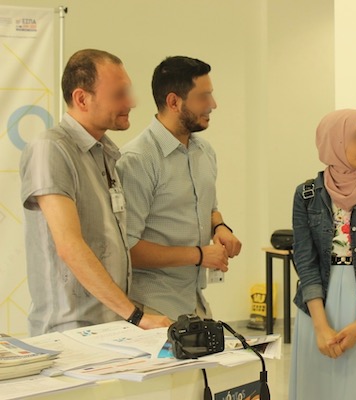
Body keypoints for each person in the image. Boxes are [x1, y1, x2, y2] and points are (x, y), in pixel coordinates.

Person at [20, 49, 171, 336]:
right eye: (119, 94)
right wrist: (136, 316)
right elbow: (69, 246)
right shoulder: (51, 149)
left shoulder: (106, 153)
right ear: (81, 99)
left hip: (111, 327)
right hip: (69, 333)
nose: (131, 102)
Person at [115, 56, 241, 321]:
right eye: (203, 96)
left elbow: (209, 209)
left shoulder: (204, 151)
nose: (213, 104)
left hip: (194, 301)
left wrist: (220, 227)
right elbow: (127, 249)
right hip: (151, 307)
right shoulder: (137, 160)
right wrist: (199, 255)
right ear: (174, 102)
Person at [289, 109, 356, 399]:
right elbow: (305, 260)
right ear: (334, 141)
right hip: (318, 305)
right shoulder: (306, 194)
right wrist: (321, 327)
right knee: (318, 389)